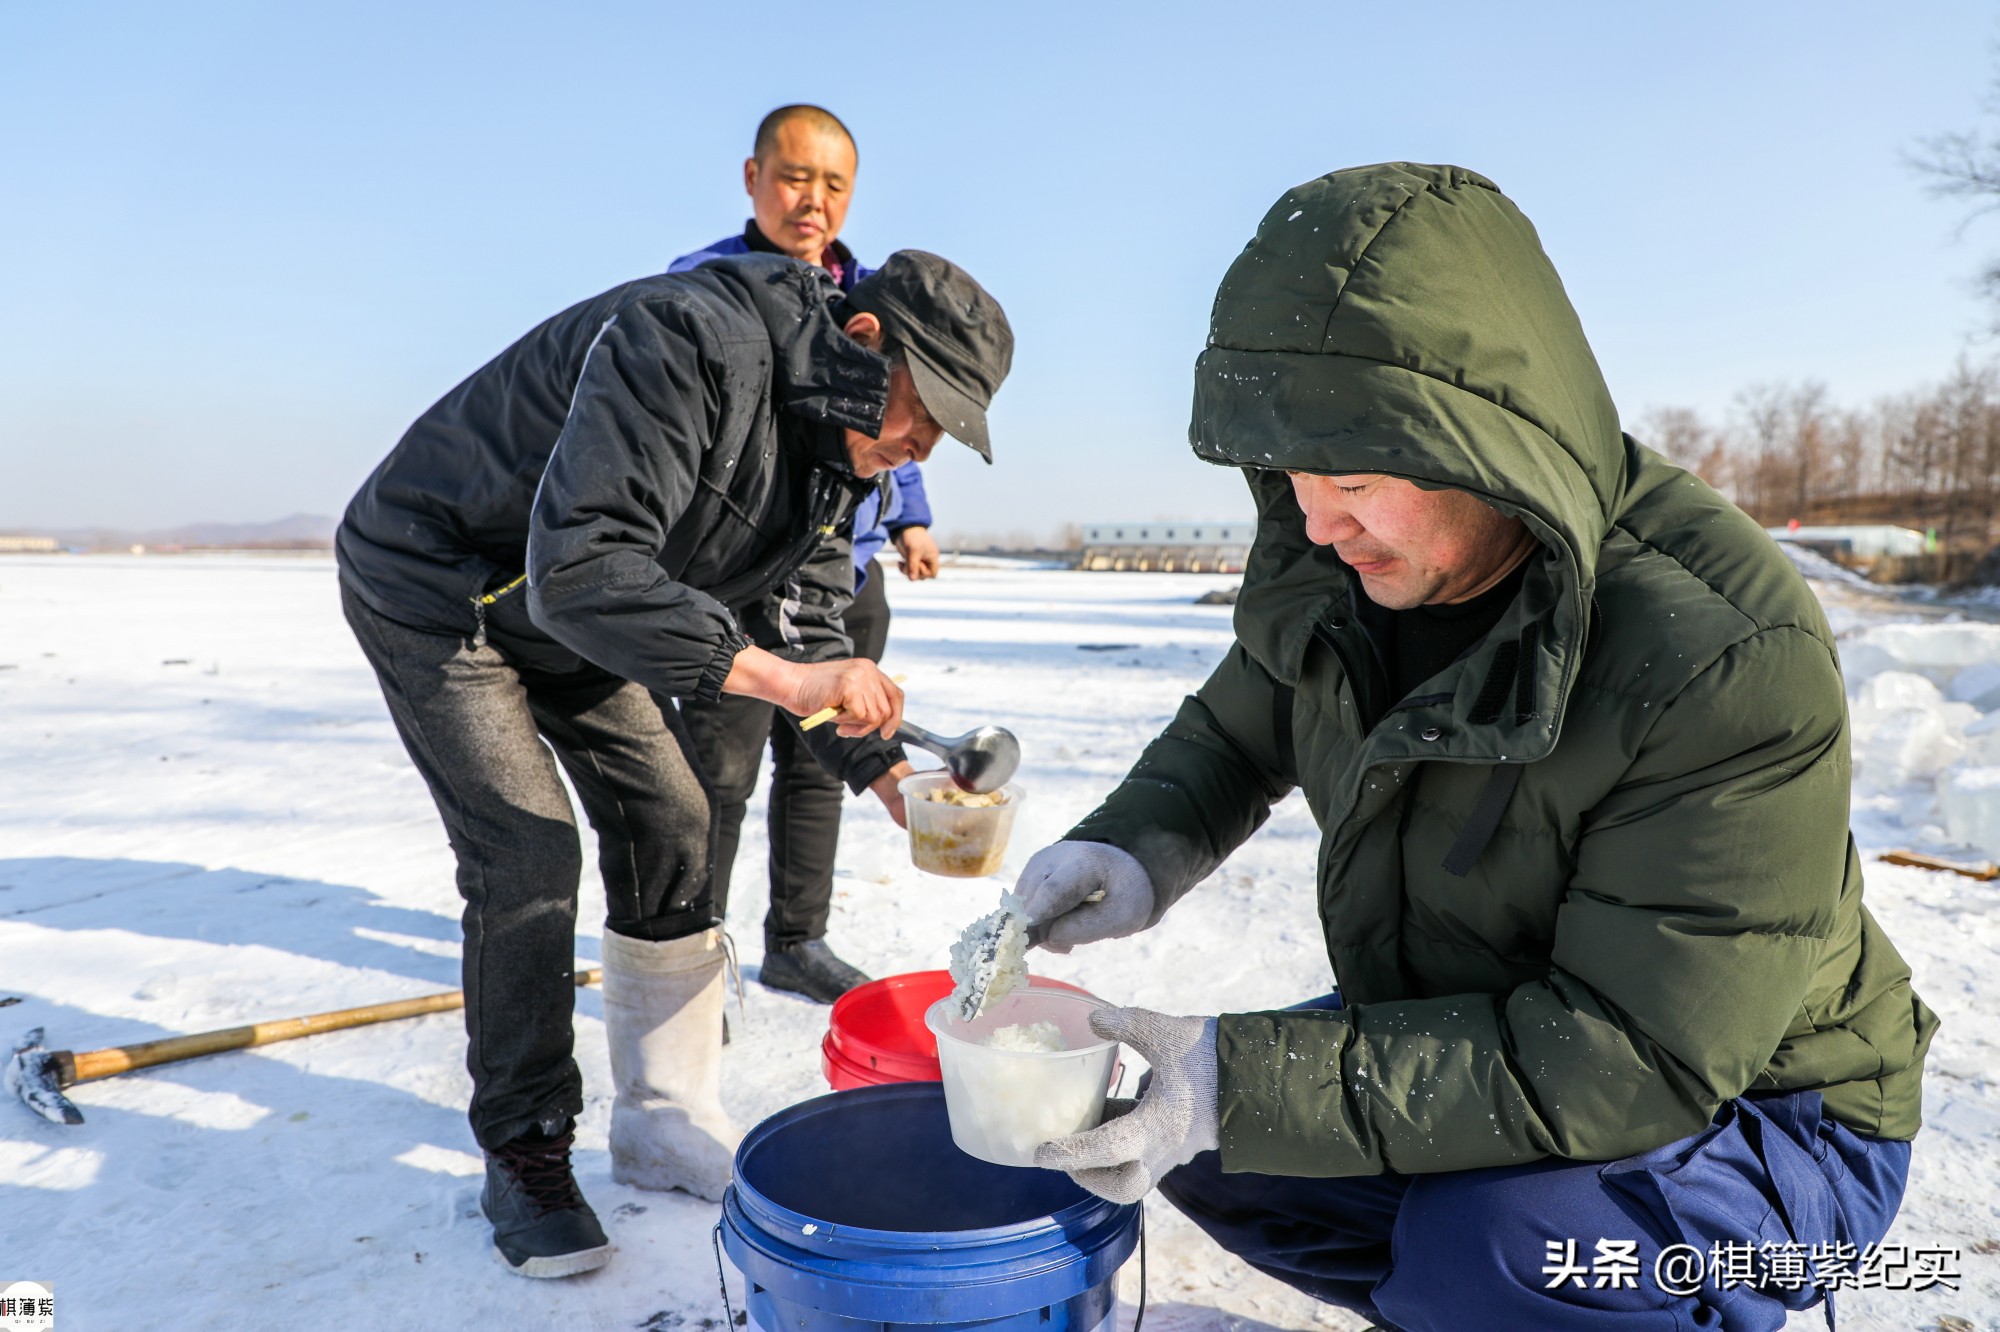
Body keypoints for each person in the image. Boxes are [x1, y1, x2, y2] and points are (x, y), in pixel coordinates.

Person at [1020, 163, 1936, 1331]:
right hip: (1500, 1022)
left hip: (1768, 1115)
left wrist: (1242, 1083)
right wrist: (1130, 850)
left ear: (1483, 446)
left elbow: (1631, 1058)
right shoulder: (1349, 567)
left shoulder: (1719, 658)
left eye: (1352, 477)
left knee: (1500, 1245)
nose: (1316, 520)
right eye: (1292, 474)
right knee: (1179, 1123)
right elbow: (1238, 722)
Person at [335, 248, 1011, 1278]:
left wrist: (884, 768)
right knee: (525, 850)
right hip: (439, 580)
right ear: (865, 344)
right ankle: (524, 1150)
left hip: (570, 613)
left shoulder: (835, 448)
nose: (923, 445)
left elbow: (805, 625)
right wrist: (781, 683)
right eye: (925, 412)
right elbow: (586, 563)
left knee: (671, 819)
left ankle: (661, 1117)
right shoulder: (690, 338)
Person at [669, 104, 944, 1002]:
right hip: (739, 584)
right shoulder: (705, 284)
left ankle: (797, 939)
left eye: (834, 185)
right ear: (753, 179)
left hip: (847, 569)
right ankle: (688, 955)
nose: (812, 200)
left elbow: (893, 427)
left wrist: (910, 518)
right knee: (719, 772)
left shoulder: (870, 299)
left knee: (830, 755)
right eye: (795, 177)